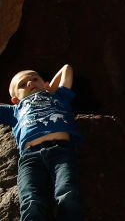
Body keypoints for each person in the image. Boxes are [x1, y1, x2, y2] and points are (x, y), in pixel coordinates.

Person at [0, 65, 82, 220]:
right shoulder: (14, 110)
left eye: (34, 79)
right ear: (15, 99)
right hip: (30, 159)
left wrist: (49, 88)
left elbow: (67, 69)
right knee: (31, 201)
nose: (30, 83)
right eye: (22, 85)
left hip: (62, 151)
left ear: (44, 83)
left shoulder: (58, 96)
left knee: (68, 193)